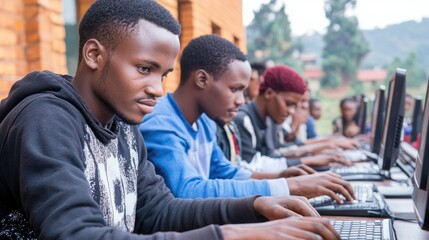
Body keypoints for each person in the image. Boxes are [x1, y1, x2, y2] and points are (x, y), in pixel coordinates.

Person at [0, 1, 342, 239]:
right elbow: (76, 233)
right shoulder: (45, 120)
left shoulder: (124, 125)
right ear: (93, 55)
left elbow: (159, 211)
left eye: (163, 74)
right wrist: (235, 233)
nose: (157, 89)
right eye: (144, 69)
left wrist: (256, 206)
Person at [140, 34, 355, 204]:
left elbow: (225, 172)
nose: (241, 101)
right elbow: (187, 190)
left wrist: (281, 176)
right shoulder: (160, 123)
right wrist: (290, 187)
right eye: (235, 89)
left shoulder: (204, 122)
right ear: (202, 79)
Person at [233, 65, 356, 164]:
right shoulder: (243, 120)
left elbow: (275, 154)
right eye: (289, 104)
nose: (292, 111)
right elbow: (253, 169)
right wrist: (307, 160)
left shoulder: (268, 119)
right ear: (269, 93)